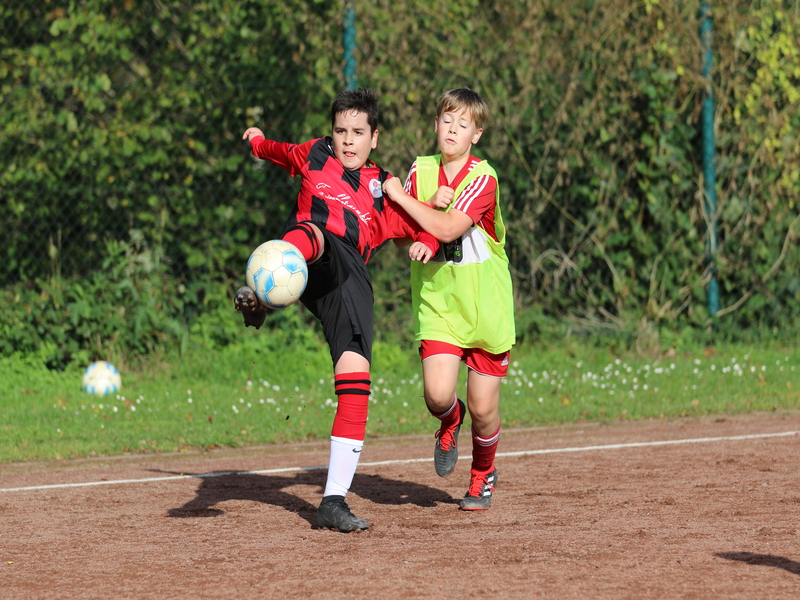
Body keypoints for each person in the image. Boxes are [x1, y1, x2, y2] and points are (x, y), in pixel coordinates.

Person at [236, 88, 438, 532]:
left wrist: (429, 228)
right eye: (341, 131)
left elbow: (421, 225)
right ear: (331, 132)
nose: (348, 140)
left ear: (375, 138)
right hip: (309, 256)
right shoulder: (313, 154)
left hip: (347, 283)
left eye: (358, 132)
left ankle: (332, 502)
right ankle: (264, 292)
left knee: (356, 377)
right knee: (316, 231)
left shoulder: (384, 188)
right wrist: (255, 140)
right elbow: (274, 150)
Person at [383, 88, 515, 510]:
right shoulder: (419, 171)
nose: (453, 129)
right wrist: (417, 206)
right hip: (439, 304)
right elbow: (396, 228)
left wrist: (406, 202)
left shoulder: (484, 178)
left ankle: (482, 475)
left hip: (486, 309)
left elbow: (446, 229)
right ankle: (448, 421)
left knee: (483, 407)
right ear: (435, 124)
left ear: (477, 134)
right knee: (439, 397)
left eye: (464, 124)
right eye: (447, 120)